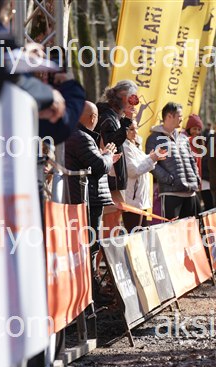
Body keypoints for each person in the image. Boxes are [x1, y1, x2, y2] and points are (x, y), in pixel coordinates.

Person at [65, 101, 119, 289]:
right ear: (93, 117)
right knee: (91, 245)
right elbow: (99, 166)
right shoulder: (81, 137)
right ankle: (91, 291)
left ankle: (92, 289)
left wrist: (103, 156)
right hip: (88, 199)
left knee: (90, 244)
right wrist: (108, 156)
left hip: (89, 197)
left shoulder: (78, 135)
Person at [145, 102, 200, 219]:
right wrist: (169, 179)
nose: (182, 119)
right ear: (169, 116)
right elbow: (151, 164)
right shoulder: (154, 139)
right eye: (180, 116)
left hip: (190, 193)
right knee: (172, 228)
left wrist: (196, 178)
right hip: (171, 193)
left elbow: (192, 160)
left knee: (191, 228)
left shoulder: (183, 138)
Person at [96, 80, 139, 226]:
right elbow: (112, 143)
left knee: (114, 221)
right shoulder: (107, 117)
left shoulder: (114, 116)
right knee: (111, 223)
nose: (134, 102)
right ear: (122, 97)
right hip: (109, 180)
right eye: (131, 98)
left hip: (111, 179)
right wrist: (127, 120)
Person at [122, 120, 167, 232]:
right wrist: (152, 159)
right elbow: (134, 170)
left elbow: (142, 165)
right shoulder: (124, 146)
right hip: (132, 201)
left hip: (141, 199)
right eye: (131, 129)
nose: (135, 132)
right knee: (134, 235)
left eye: (136, 128)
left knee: (141, 235)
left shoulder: (136, 145)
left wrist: (152, 157)